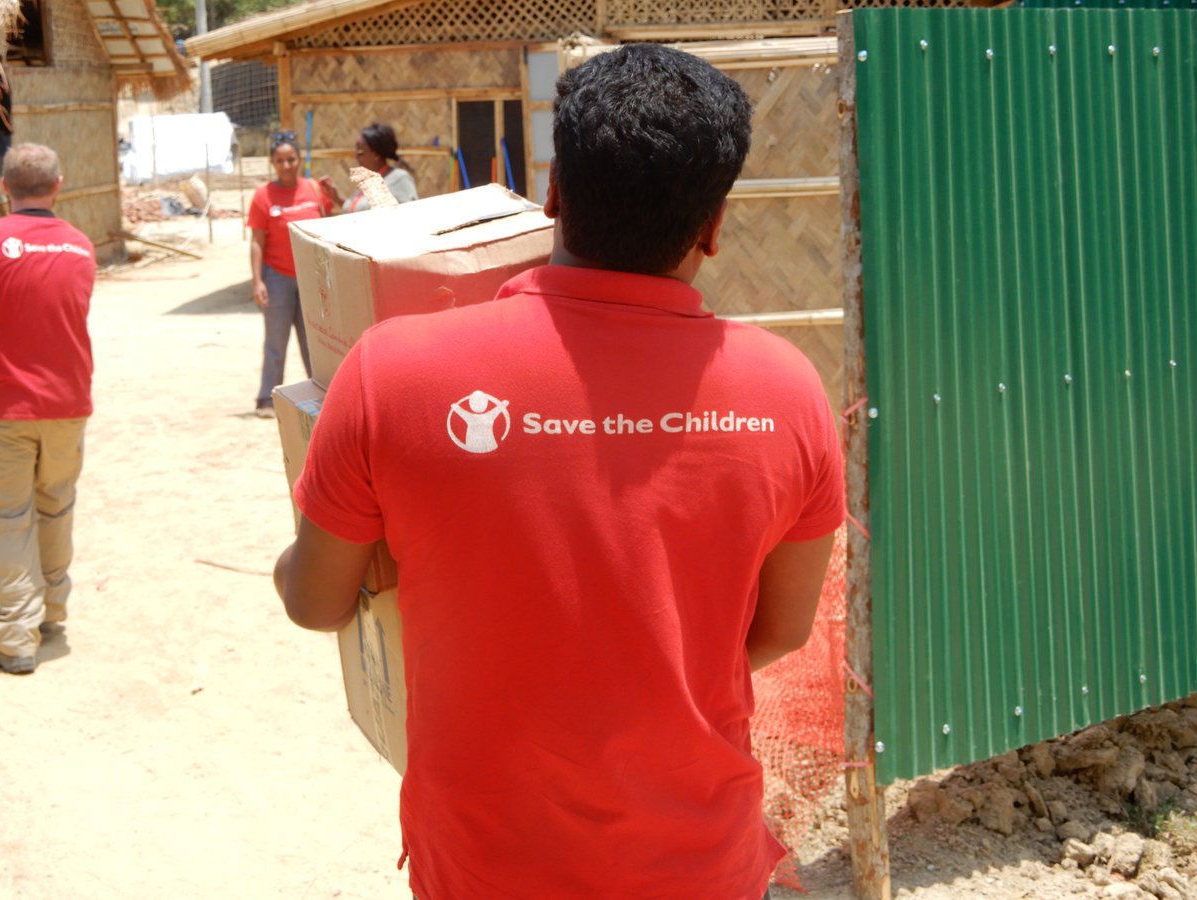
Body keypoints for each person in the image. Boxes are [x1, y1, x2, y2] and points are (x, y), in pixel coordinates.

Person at [274, 44, 844, 899]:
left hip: (481, 862)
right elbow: (781, 630)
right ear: (715, 226)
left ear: (553, 196)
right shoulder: (787, 392)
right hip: (698, 863)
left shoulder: (393, 371)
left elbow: (315, 601)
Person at [0, 143, 97, 675]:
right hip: (68, 403)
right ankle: (52, 614)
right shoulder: (81, 248)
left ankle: (16, 638)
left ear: (4, 186)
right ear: (58, 185)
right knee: (56, 507)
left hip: (8, 407)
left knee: (9, 520)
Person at [247, 132, 331, 418]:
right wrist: (257, 281)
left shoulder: (314, 190)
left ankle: (322, 397)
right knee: (276, 340)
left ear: (299, 160)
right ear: (272, 163)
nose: (286, 165)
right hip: (277, 278)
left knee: (314, 342)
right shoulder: (263, 196)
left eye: (291, 159)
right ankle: (266, 399)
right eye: (280, 161)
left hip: (311, 278)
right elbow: (257, 241)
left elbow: (331, 227)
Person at [319, 122, 417, 213]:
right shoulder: (369, 181)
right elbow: (358, 212)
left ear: (376, 155)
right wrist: (336, 198)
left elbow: (409, 214)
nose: (356, 157)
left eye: (360, 153)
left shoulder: (399, 178)